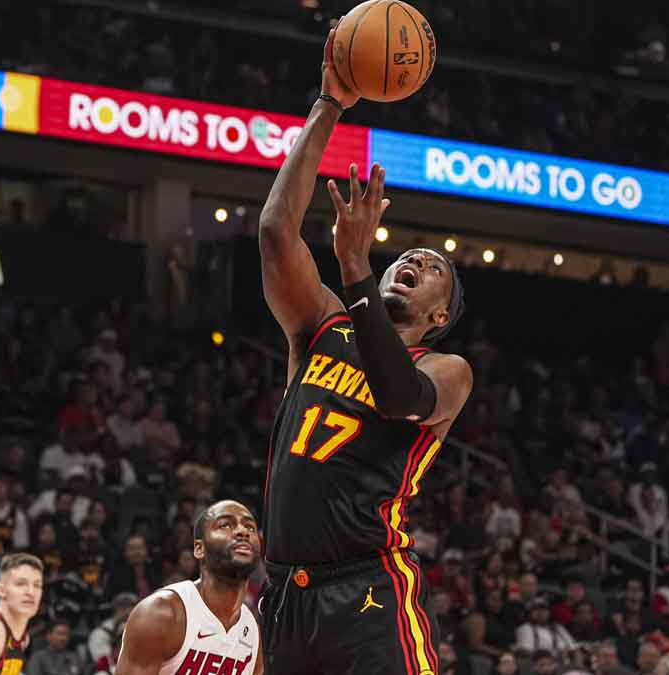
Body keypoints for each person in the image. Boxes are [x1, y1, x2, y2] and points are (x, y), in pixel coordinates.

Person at [256, 28, 471, 675]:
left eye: (431, 266)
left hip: (370, 588)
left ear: (439, 315)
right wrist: (329, 104)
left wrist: (355, 267)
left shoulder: (446, 369)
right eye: (407, 254)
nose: (413, 259)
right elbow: (274, 231)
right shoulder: (320, 322)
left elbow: (399, 397)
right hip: (286, 593)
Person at [113, 499, 260, 675]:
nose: (242, 531)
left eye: (250, 527)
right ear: (199, 549)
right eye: (225, 525)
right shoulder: (161, 613)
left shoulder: (252, 632)